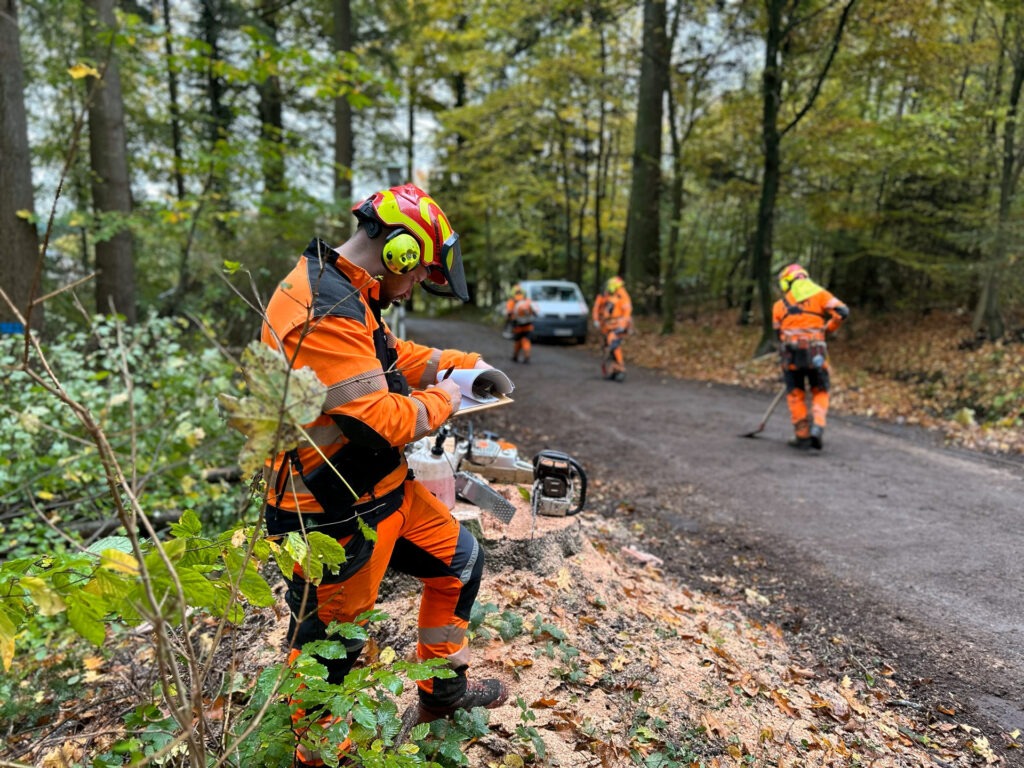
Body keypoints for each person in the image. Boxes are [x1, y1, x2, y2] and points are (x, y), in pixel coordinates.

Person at [260, 183, 508, 765]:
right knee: (331, 649)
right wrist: (446, 399)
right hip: (329, 512)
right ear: (398, 251)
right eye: (419, 270)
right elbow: (380, 418)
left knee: (460, 562)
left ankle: (441, 694)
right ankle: (325, 756)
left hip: (379, 489)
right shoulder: (320, 307)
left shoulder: (351, 293)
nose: (419, 280)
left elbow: (392, 356)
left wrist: (467, 368)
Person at [772, 263, 849, 450]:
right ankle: (818, 425)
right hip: (816, 353)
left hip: (791, 355)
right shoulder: (822, 295)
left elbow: (777, 333)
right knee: (820, 390)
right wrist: (827, 329)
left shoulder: (778, 306)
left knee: (795, 393)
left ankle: (802, 436)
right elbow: (842, 312)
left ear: (787, 283)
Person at [592, 275, 632, 381]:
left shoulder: (622, 296)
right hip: (608, 325)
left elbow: (626, 313)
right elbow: (599, 306)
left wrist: (622, 326)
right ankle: (614, 369)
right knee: (608, 347)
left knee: (613, 343)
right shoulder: (609, 295)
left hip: (618, 325)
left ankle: (620, 367)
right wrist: (597, 320)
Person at [504, 285, 535, 363]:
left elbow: (508, 313)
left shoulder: (511, 301)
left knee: (518, 341)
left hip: (517, 325)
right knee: (526, 340)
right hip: (528, 325)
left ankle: (515, 356)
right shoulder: (527, 300)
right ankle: (526, 356)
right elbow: (534, 311)